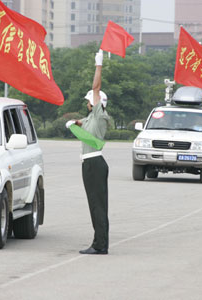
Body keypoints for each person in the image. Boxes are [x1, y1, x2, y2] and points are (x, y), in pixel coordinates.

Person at [65, 50, 110, 255]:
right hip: (89, 164)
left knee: (98, 206)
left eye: (89, 100)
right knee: (94, 206)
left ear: (96, 103)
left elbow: (96, 87)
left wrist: (98, 65)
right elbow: (83, 122)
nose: (87, 102)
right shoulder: (92, 117)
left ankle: (100, 245)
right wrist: (74, 122)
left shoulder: (100, 115)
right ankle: (99, 242)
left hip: (94, 164)